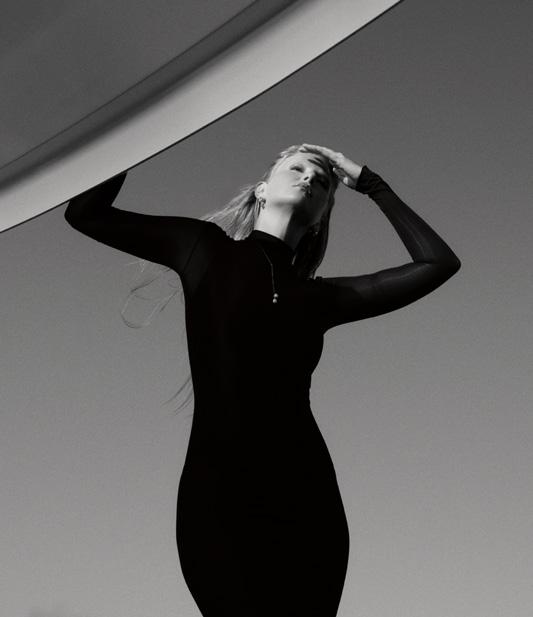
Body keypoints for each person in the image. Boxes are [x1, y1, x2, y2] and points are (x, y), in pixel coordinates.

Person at [64, 143, 461, 617]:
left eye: (323, 182)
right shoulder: (202, 248)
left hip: (305, 499)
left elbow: (437, 264)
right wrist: (141, 133)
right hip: (217, 493)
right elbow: (84, 214)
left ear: (321, 218)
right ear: (261, 190)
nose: (310, 178)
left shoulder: (322, 298)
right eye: (297, 168)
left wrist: (371, 184)